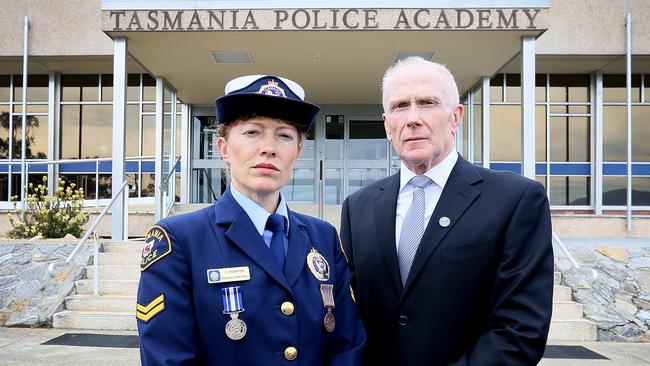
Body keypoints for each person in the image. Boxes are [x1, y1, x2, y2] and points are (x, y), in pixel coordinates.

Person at [137, 75, 365, 365]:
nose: (269, 147)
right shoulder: (178, 240)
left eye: (284, 135)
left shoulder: (322, 237)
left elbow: (347, 344)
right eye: (252, 133)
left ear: (296, 152)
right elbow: (168, 357)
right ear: (223, 148)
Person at [340, 57, 553, 365]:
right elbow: (354, 320)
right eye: (400, 106)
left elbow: (520, 331)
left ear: (456, 117)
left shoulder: (516, 200)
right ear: (387, 125)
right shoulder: (357, 207)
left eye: (427, 103)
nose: (412, 118)